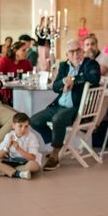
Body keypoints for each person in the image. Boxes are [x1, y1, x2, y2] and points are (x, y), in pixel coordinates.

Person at [30, 39, 100, 172]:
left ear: (82, 51)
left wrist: (73, 79)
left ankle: (55, 154)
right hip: (59, 105)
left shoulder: (90, 64)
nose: (75, 54)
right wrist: (63, 81)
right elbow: (56, 87)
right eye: (71, 51)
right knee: (34, 120)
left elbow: (94, 78)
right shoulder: (63, 66)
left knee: (58, 120)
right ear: (67, 54)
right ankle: (58, 144)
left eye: (78, 50)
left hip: (76, 108)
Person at [0, 112, 42, 180]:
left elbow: (32, 158)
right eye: (20, 126)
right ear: (13, 126)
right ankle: (19, 174)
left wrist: (18, 149)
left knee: (33, 165)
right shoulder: (9, 136)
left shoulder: (32, 137)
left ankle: (5, 171)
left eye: (26, 126)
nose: (23, 129)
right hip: (13, 162)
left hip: (26, 162)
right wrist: (7, 146)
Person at [0, 40, 33, 104]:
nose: (26, 52)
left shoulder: (26, 63)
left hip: (23, 92)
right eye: (23, 50)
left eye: (26, 50)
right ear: (15, 51)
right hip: (6, 93)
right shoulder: (4, 61)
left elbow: (31, 76)